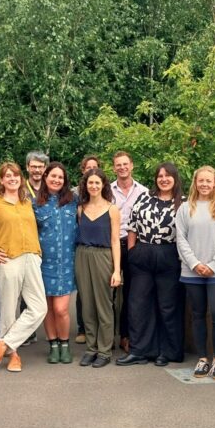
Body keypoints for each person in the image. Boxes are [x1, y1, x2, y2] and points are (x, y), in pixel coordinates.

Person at [0, 162, 47, 373]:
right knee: (9, 310)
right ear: (2, 181)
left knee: (40, 307)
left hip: (31, 257)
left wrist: (37, 255)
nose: (12, 178)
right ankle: (14, 356)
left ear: (21, 179)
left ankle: (4, 343)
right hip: (8, 260)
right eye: (8, 176)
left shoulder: (26, 202)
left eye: (16, 175)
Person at [117, 162, 185, 367]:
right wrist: (132, 251)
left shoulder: (183, 202)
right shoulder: (145, 197)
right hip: (142, 253)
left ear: (175, 178)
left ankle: (168, 351)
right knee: (138, 304)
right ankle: (139, 350)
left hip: (169, 254)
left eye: (168, 176)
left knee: (167, 305)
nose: (164, 179)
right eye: (160, 176)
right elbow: (132, 225)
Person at [176, 166, 215, 380]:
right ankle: (202, 358)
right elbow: (180, 239)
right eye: (201, 180)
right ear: (195, 182)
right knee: (198, 314)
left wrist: (213, 265)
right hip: (192, 271)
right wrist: (194, 264)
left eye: (209, 181)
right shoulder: (185, 208)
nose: (205, 184)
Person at [75, 167, 122, 367]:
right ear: (85, 185)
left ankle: (104, 350)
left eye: (97, 182)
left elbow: (115, 241)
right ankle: (91, 347)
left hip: (104, 257)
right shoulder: (80, 208)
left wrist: (116, 270)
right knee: (87, 304)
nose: (93, 186)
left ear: (103, 185)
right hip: (82, 255)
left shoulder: (112, 209)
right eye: (90, 182)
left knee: (104, 305)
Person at [33, 162, 78, 364]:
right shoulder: (35, 204)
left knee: (61, 309)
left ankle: (65, 343)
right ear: (45, 177)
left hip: (66, 262)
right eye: (53, 176)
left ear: (65, 181)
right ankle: (53, 345)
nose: (56, 180)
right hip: (43, 263)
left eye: (60, 177)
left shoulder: (73, 201)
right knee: (47, 308)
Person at [111, 151, 148, 352]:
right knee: (108, 295)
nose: (122, 167)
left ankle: (126, 336)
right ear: (114, 167)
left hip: (135, 245)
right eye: (118, 165)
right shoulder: (107, 191)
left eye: (125, 164)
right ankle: (107, 336)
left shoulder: (144, 192)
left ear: (132, 165)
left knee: (131, 294)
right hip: (112, 246)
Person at [74, 155, 101, 345]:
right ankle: (83, 328)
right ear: (82, 170)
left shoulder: (103, 190)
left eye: (95, 167)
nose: (91, 169)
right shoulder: (75, 194)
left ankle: (103, 331)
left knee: (103, 293)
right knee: (83, 293)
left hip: (102, 248)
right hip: (82, 246)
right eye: (87, 167)